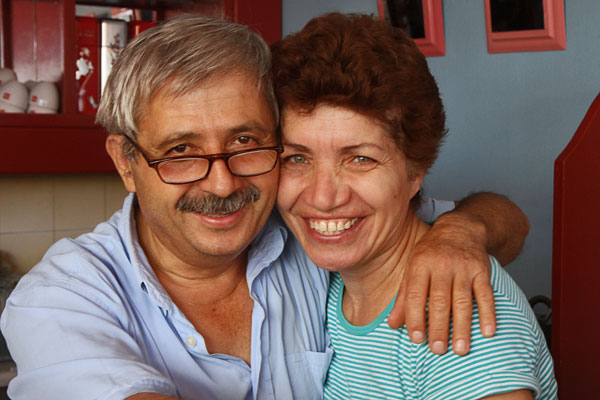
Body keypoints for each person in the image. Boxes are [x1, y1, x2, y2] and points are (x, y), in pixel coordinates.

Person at [0, 14, 528, 400]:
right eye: (181, 151)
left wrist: (462, 231)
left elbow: (506, 222)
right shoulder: (59, 298)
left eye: (245, 142)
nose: (222, 182)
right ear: (125, 161)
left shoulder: (315, 229)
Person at [271, 12, 556, 399]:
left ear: (415, 171)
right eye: (296, 158)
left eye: (360, 159)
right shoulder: (327, 281)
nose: (323, 197)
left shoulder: (456, 308)